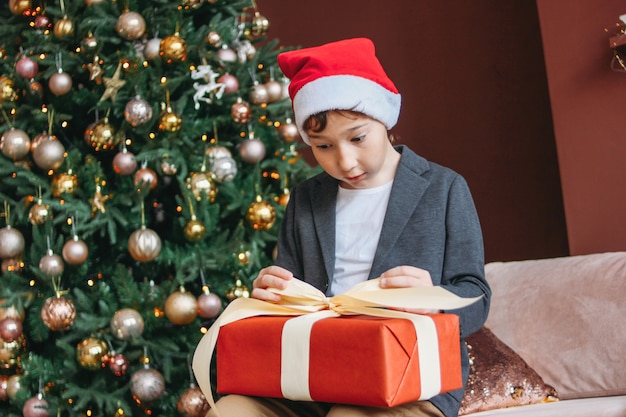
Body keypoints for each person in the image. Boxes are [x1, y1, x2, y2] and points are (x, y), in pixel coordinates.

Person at [210, 37, 491, 417]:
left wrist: (435, 302)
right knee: (229, 412)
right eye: (322, 147)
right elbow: (289, 296)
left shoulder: (444, 188)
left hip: (409, 380)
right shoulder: (307, 199)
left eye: (358, 138)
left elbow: (476, 296)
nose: (344, 160)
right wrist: (270, 293)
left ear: (385, 118)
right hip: (312, 376)